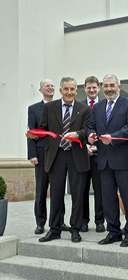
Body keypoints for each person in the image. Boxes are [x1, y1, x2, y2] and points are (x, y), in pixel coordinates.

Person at [27, 77, 91, 243]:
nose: (69, 92)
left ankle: (75, 229)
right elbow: (43, 129)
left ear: (76, 91)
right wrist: (34, 135)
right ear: (61, 91)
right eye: (66, 89)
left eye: (72, 89)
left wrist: (77, 135)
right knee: (56, 194)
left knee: (77, 195)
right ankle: (54, 229)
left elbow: (87, 130)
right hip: (56, 155)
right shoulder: (49, 107)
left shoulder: (84, 109)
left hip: (76, 154)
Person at [88, 74, 128, 247]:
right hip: (103, 160)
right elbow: (92, 126)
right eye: (106, 85)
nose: (109, 89)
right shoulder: (98, 106)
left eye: (112, 85)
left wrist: (113, 137)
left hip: (123, 159)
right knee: (108, 199)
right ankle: (114, 232)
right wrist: (90, 135)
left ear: (119, 86)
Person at [27, 79, 69, 234]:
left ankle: (60, 221)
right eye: (47, 86)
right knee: (41, 190)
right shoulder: (33, 109)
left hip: (59, 153)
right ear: (40, 90)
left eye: (52, 86)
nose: (50, 88)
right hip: (42, 154)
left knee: (59, 189)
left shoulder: (62, 106)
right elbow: (30, 133)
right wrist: (32, 155)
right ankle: (40, 222)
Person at [80, 76, 105, 233]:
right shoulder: (79, 106)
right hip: (82, 154)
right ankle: (83, 221)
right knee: (82, 190)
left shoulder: (104, 105)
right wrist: (85, 147)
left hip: (100, 154)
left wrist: (98, 146)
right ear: (85, 88)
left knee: (100, 190)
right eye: (89, 87)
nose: (92, 90)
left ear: (99, 87)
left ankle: (100, 221)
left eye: (94, 87)